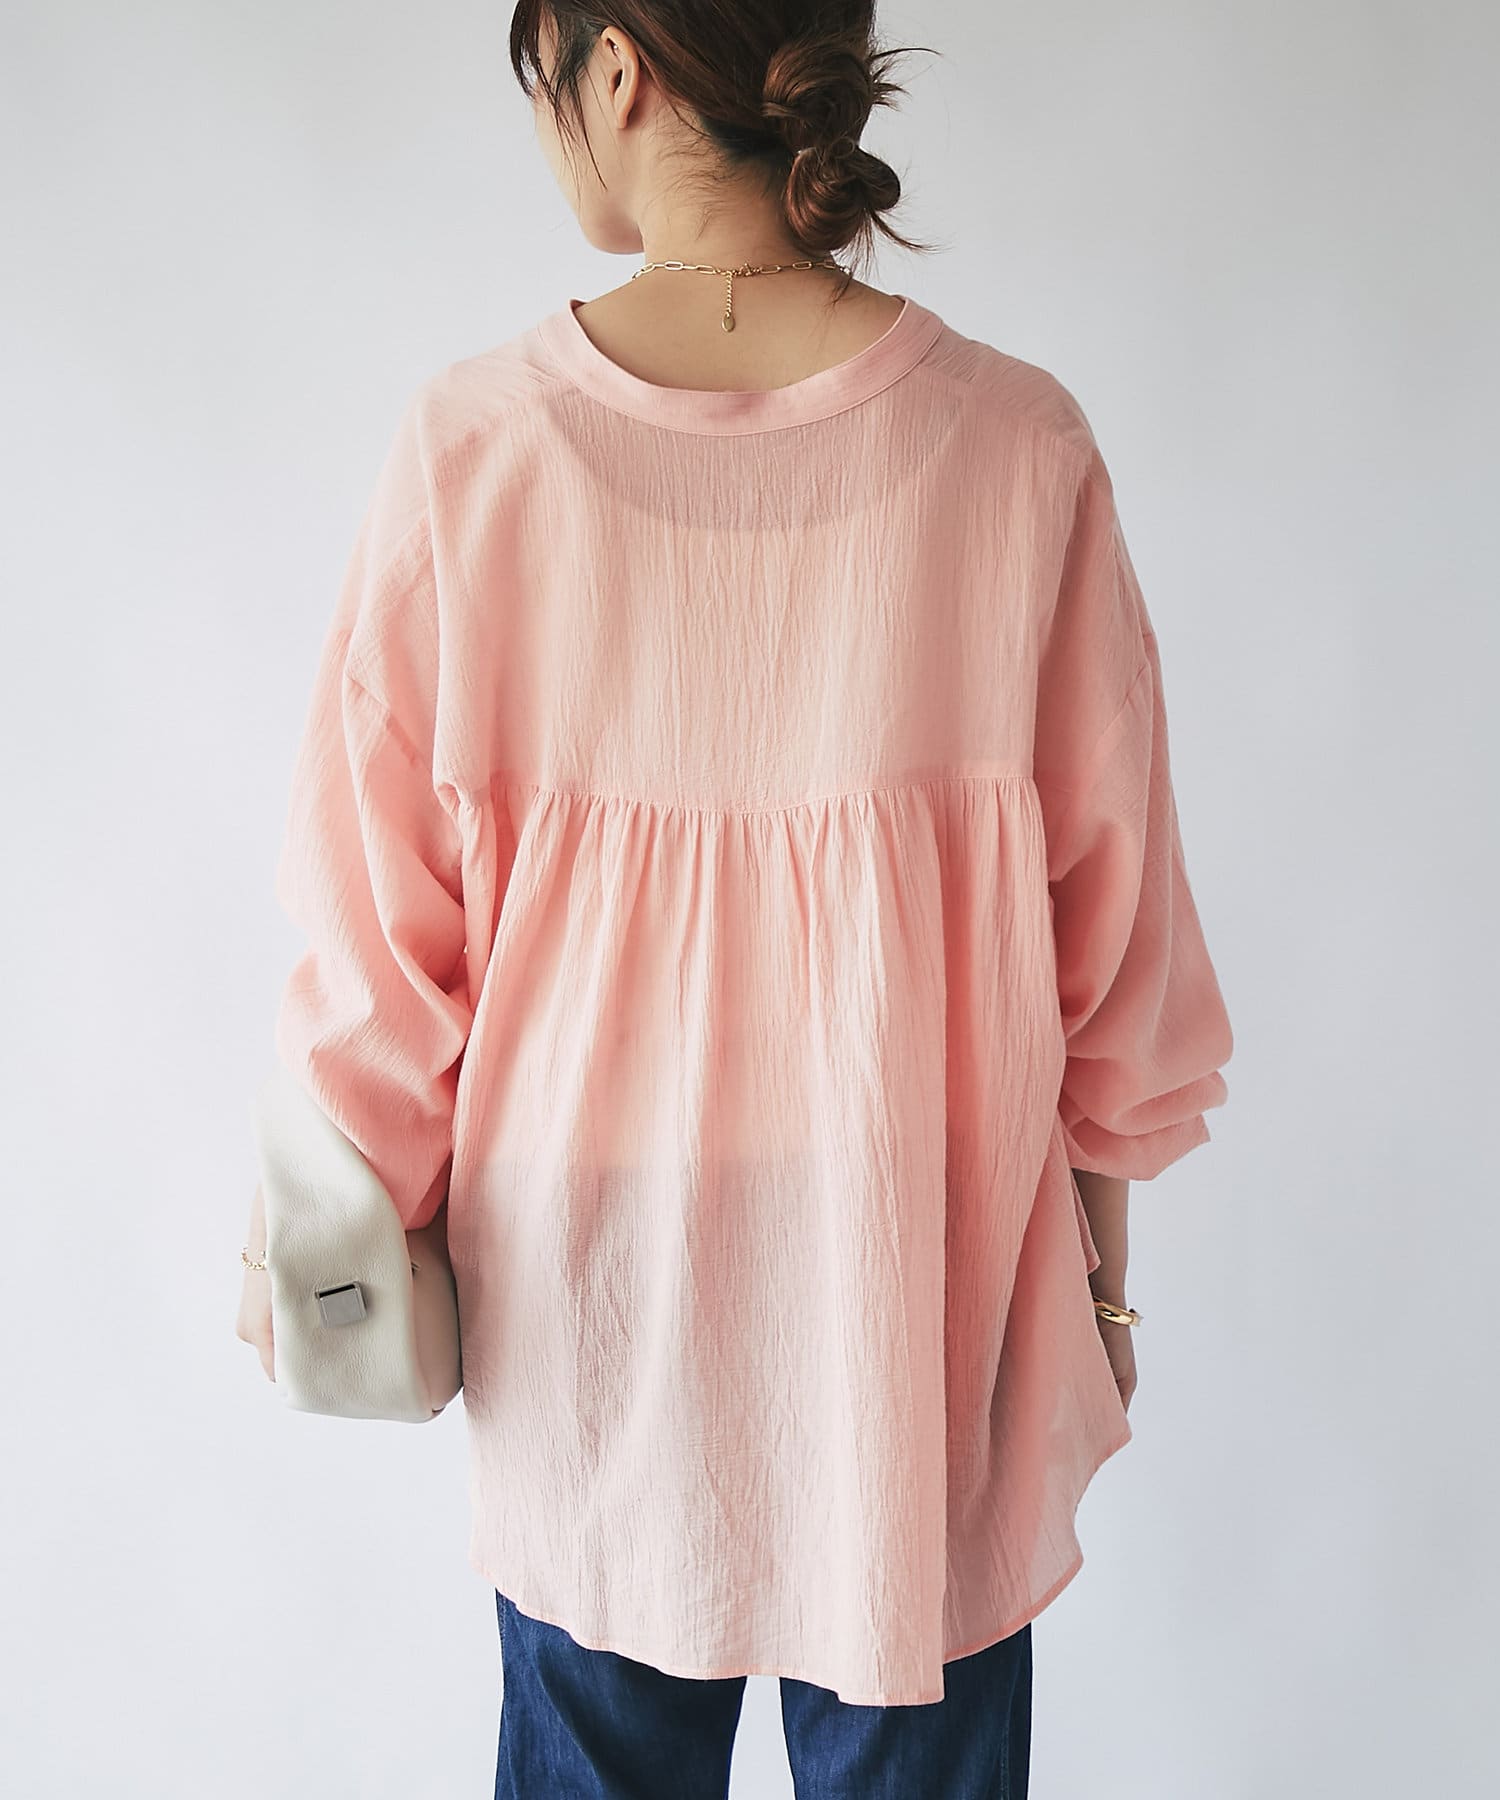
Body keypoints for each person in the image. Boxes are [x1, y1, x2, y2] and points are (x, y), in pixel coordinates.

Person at [236, 3, 1234, 1794]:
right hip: (925, 1278)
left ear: (613, 65)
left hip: (591, 1290)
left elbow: (383, 948)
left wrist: (330, 1240)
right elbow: (1114, 940)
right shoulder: (1019, 448)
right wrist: (1103, 1297)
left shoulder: (475, 454)